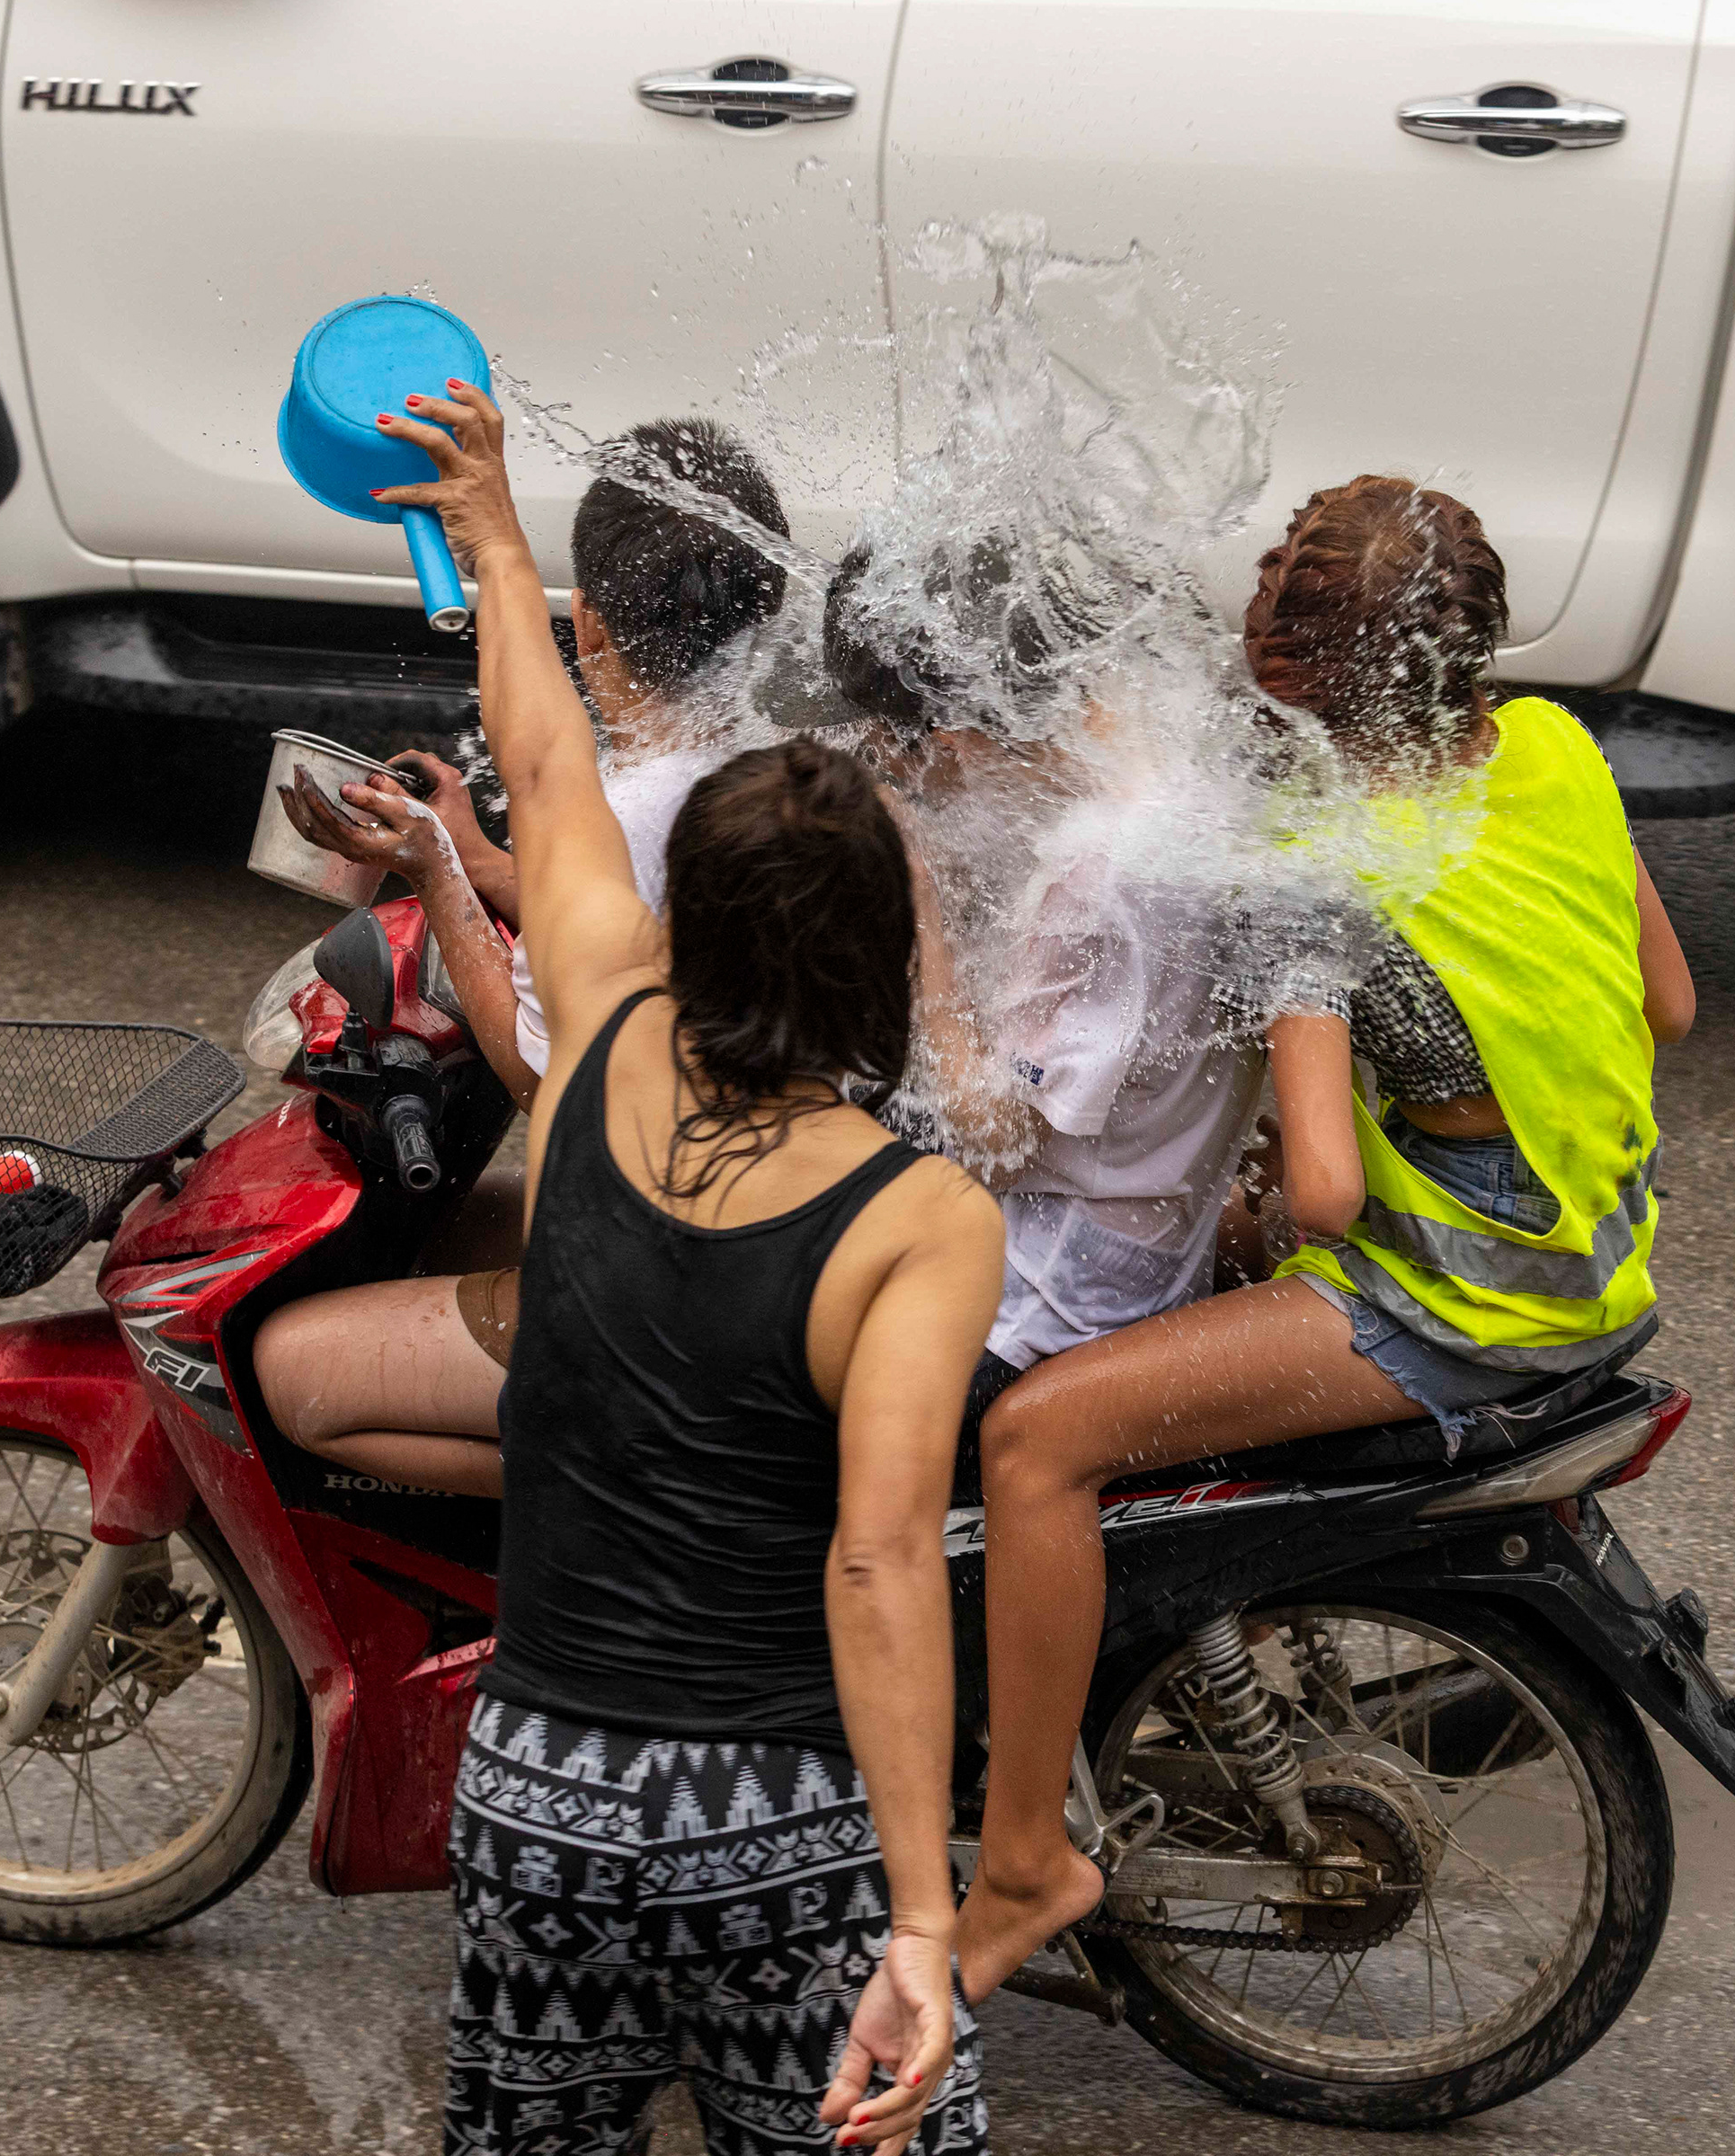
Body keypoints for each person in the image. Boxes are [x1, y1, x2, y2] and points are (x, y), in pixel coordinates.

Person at [949, 475, 1697, 1998]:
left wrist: (1261, 1197)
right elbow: (1668, 1003)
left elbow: (1333, 1194)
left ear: (1297, 671)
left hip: (1461, 1297)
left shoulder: (1319, 867)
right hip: (1600, 1251)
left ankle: (1025, 1853)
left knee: (1033, 1443)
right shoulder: (1551, 746)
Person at [373, 378, 999, 2156]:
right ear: (877, 951)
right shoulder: (917, 1218)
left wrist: (493, 529)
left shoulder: (604, 1034)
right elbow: (878, 1557)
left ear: (689, 924)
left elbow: (550, 756)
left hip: (540, 1788)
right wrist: (925, 1920)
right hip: (775, 1820)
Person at [255, 418, 787, 1495]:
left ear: (585, 624)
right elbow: (635, 921)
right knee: (446, 1224)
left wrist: (440, 879)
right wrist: (489, 861)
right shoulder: (774, 768)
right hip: (765, 1235)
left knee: (290, 1368)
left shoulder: (618, 808)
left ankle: (597, 1513)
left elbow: (546, 1076)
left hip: (668, 1290)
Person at [816, 542, 1267, 1478]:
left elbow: (996, 1133)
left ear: (949, 741)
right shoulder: (1188, 774)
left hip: (1046, 1299)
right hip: (1151, 1226)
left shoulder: (1098, 874)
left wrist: (925, 915)